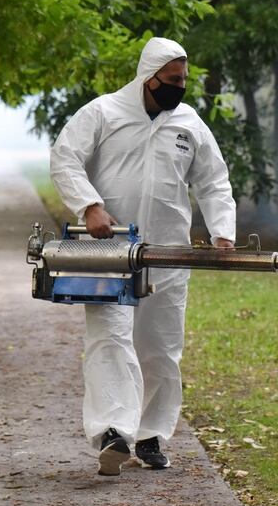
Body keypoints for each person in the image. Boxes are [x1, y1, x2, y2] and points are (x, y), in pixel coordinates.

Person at [50, 38, 236, 476]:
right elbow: (65, 159)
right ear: (148, 77)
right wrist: (89, 205)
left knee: (161, 347)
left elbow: (213, 182)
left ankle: (151, 434)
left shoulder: (189, 123)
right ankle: (114, 432)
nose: (180, 88)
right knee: (110, 338)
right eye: (172, 80)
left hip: (170, 251)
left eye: (184, 80)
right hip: (109, 250)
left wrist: (222, 231)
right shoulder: (102, 113)